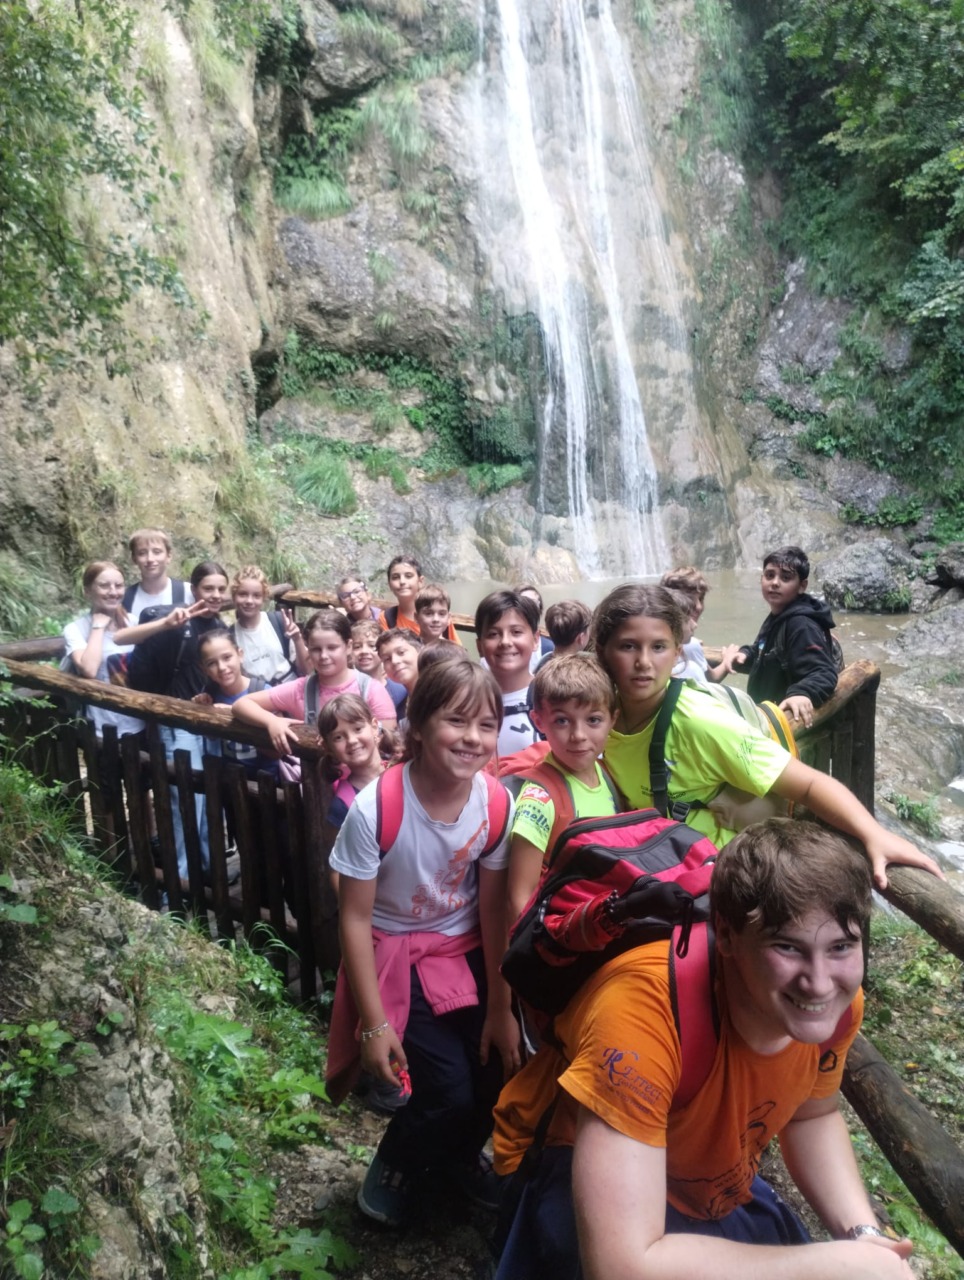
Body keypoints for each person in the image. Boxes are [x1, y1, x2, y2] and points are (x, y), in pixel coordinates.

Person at [493, 819, 917, 1280]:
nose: (819, 983)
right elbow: (620, 1266)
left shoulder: (836, 1007)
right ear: (727, 935)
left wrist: (861, 1236)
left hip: (698, 1179)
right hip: (575, 1165)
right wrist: (829, 1266)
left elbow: (811, 1116)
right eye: (787, 947)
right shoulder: (642, 1012)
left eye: (840, 947)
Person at [326, 656, 521, 1226]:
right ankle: (396, 1163)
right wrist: (374, 1025)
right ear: (419, 724)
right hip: (396, 950)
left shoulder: (496, 803)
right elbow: (354, 917)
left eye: (486, 725)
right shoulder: (376, 809)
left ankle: (457, 1159)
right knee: (447, 1089)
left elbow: (492, 907)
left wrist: (502, 1008)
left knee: (498, 1067)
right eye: (456, 721)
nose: (473, 738)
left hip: (465, 947)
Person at [595, 584, 941, 887]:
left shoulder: (700, 722)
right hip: (653, 862)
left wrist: (873, 834)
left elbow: (808, 784)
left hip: (716, 876)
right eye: (628, 646)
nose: (644, 662)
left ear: (677, 653)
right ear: (602, 652)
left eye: (658, 647)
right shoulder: (596, 716)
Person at [118, 561, 231, 880]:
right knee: (185, 803)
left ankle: (209, 871)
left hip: (207, 723)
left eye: (221, 589)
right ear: (194, 590)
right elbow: (122, 638)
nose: (215, 595)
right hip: (176, 724)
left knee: (208, 799)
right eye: (208, 588)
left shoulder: (218, 625)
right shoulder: (178, 620)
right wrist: (166, 624)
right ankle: (180, 882)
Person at [507, 654, 618, 923]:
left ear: (613, 720)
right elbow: (520, 899)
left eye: (593, 720)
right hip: (561, 933)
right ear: (538, 721)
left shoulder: (607, 774)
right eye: (562, 721)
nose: (578, 735)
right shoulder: (538, 799)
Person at [232, 610, 396, 754]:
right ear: (308, 649)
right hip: (316, 777)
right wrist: (271, 721)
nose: (323, 656)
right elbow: (241, 705)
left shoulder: (371, 690)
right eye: (316, 649)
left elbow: (389, 745)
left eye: (332, 648)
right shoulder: (300, 690)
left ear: (348, 646)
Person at [718, 546, 840, 727]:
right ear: (761, 579)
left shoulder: (801, 624)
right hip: (767, 717)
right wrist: (745, 654)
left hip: (785, 724)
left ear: (802, 586)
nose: (775, 583)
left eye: (786, 578)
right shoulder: (780, 614)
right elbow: (765, 648)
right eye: (769, 575)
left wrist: (802, 692)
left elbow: (823, 672)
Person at [62, 560, 144, 740]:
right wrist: (98, 626)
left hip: (140, 721)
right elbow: (89, 670)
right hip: (101, 727)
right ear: (87, 591)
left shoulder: (133, 622)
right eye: (104, 586)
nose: (113, 592)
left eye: (118, 586)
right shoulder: (76, 629)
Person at [193, 628, 280, 782]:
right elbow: (211, 738)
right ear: (203, 669)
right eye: (211, 663)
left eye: (227, 657)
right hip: (229, 781)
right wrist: (202, 711)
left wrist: (238, 716)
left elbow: (277, 752)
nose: (221, 667)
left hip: (265, 783)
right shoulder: (210, 694)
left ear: (240, 654)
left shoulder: (263, 693)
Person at [475, 590, 542, 758]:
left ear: (535, 640)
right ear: (479, 646)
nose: (505, 642)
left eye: (516, 632)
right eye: (493, 634)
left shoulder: (551, 698)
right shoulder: (466, 701)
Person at [318, 692, 398, 830]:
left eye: (358, 729)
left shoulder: (405, 770)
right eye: (338, 737)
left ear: (374, 727)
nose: (352, 740)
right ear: (328, 747)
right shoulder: (343, 805)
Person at [229, 565, 308, 685]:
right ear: (234, 597)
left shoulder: (278, 622)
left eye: (256, 596)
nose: (249, 601)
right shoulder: (230, 637)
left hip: (291, 689)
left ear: (264, 598)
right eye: (243, 594)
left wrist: (297, 639)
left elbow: (306, 669)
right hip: (258, 693)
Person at [660, 567, 735, 685]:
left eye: (701, 598)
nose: (699, 606)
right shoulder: (690, 645)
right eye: (690, 599)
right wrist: (727, 660)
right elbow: (712, 679)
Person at [124, 527, 191, 619]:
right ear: (134, 558)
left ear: (169, 556)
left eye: (157, 552)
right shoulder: (124, 598)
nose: (150, 559)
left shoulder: (188, 592)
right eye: (142, 553)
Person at [350, 619, 406, 715]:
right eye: (357, 647)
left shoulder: (400, 688)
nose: (364, 651)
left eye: (372, 646)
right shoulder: (345, 689)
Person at [375, 627, 423, 724]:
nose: (394, 661)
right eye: (387, 659)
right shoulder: (401, 701)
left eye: (401, 652)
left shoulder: (440, 691)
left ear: (420, 651)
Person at [379, 554, 426, 633]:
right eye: (395, 577)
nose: (402, 581)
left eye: (408, 576)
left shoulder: (438, 616)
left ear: (420, 581)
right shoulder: (386, 618)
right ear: (389, 584)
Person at [514, 583, 554, 672]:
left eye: (533, 602)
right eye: (524, 602)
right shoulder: (503, 644)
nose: (529, 607)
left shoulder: (549, 648)